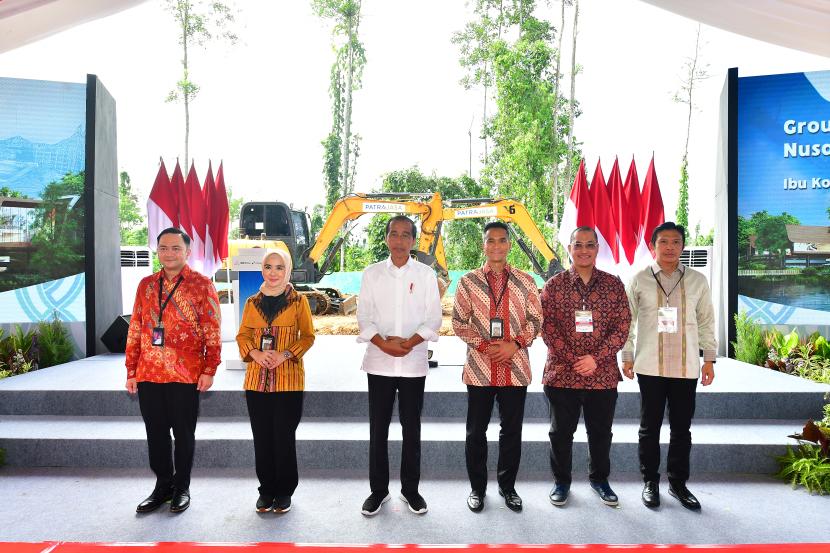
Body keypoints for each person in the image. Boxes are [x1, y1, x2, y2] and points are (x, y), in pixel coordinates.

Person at [125, 227, 221, 514]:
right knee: (155, 433)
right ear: (158, 250)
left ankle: (182, 487)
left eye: (176, 248)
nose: (169, 253)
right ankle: (162, 486)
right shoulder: (146, 285)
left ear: (187, 252)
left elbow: (212, 330)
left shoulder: (201, 284)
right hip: (149, 372)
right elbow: (136, 328)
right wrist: (131, 369)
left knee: (183, 433)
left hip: (186, 373)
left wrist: (210, 368)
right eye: (164, 248)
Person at [622, 221, 716, 511]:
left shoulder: (698, 280)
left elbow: (706, 321)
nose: (670, 247)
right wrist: (627, 356)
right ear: (653, 246)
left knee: (681, 428)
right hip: (649, 365)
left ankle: (678, 483)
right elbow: (628, 322)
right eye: (663, 242)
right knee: (649, 428)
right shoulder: (639, 279)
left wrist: (709, 359)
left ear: (682, 246)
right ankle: (650, 482)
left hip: (686, 366)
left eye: (675, 242)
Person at [452, 221, 542, 513]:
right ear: (484, 245)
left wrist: (513, 344)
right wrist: (483, 346)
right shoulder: (467, 281)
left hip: (515, 367)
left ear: (509, 245)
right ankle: (477, 489)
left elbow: (536, 320)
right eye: (491, 241)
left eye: (502, 240)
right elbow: (457, 323)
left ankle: (508, 487)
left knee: (511, 432)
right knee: (475, 432)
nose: (497, 246)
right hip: (479, 368)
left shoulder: (526, 281)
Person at [356, 215, 442, 516]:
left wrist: (407, 343)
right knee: (377, 430)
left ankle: (411, 490)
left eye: (406, 235)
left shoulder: (426, 275)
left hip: (413, 362)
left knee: (411, 429)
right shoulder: (372, 274)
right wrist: (383, 343)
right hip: (379, 363)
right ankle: (378, 491)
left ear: (413, 240)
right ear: (386, 238)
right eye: (394, 233)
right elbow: (363, 317)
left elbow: (434, 319)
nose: (400, 240)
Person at [540, 226, 631, 508]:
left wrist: (596, 358)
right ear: (569, 248)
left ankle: (599, 480)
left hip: (601, 375)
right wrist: (573, 360)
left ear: (597, 249)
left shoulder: (613, 285)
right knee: (560, 433)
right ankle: (561, 482)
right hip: (562, 374)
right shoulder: (554, 286)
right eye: (577, 245)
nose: (583, 250)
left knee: (601, 432)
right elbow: (547, 327)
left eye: (589, 245)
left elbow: (622, 325)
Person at [236, 248, 315, 514]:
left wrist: (284, 354)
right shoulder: (251, 303)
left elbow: (308, 337)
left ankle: (284, 491)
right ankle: (266, 490)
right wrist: (255, 353)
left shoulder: (299, 301)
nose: (273, 273)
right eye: (268, 267)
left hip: (288, 381)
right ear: (262, 270)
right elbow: (243, 336)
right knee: (262, 438)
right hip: (256, 381)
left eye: (279, 267)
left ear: (288, 270)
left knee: (283, 437)